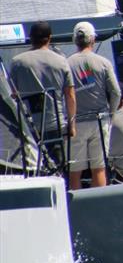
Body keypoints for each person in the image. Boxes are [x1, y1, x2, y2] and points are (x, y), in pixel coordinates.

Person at [9, 21, 76, 169]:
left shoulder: (17, 62)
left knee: (34, 168)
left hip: (29, 126)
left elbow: (12, 95)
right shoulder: (61, 62)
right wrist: (72, 124)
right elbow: (70, 95)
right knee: (58, 168)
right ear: (50, 37)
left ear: (30, 38)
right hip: (55, 123)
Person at [66, 22, 121, 189]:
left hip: (76, 123)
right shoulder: (103, 63)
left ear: (75, 40)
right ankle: (100, 205)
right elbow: (116, 92)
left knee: (74, 171)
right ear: (93, 39)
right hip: (100, 120)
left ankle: (74, 208)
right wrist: (111, 115)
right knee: (99, 168)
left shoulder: (66, 64)